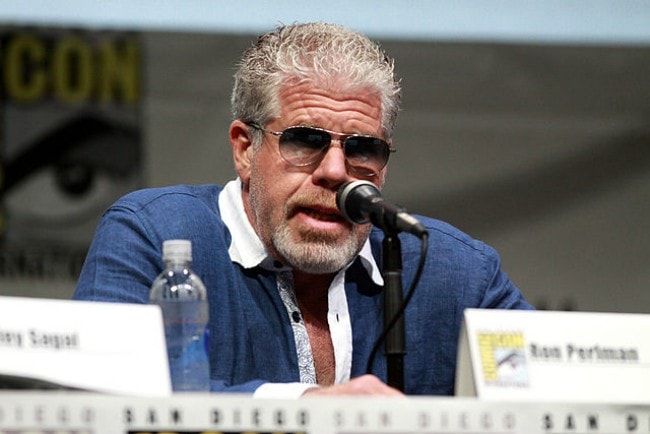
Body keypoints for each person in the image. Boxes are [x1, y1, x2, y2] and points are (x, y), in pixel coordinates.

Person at [73, 22, 533, 398]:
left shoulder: (457, 272)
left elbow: (556, 392)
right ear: (245, 149)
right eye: (304, 140)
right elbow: (99, 394)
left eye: (363, 149)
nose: (336, 171)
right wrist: (306, 409)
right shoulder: (152, 234)